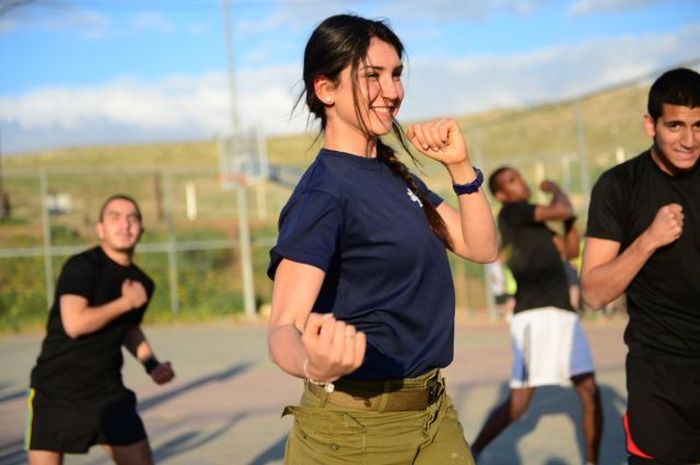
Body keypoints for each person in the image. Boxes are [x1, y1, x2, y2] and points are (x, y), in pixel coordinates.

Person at [266, 14, 498, 465]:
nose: (392, 91)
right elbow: (281, 327)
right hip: (353, 431)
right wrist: (313, 364)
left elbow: (481, 247)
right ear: (325, 89)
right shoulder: (323, 193)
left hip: (432, 413)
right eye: (371, 75)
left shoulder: (396, 174)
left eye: (396, 74)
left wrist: (460, 169)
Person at [581, 67, 700, 465]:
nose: (689, 140)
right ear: (651, 124)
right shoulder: (618, 186)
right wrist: (649, 239)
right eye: (676, 125)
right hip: (660, 378)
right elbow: (594, 292)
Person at [25, 194, 175, 465]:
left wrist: (151, 364)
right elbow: (75, 324)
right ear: (100, 229)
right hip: (56, 389)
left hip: (107, 391)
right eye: (114, 217)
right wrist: (125, 302)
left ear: (141, 229)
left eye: (132, 218)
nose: (124, 225)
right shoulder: (81, 266)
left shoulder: (142, 283)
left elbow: (129, 328)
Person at [471, 168, 602, 465]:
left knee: (589, 390)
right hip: (534, 316)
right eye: (512, 181)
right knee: (520, 403)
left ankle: (592, 461)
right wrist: (555, 186)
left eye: (520, 177)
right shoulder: (513, 213)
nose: (522, 183)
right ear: (502, 195)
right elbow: (562, 207)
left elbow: (569, 250)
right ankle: (472, 451)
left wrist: (568, 220)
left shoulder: (537, 225)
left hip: (563, 314)